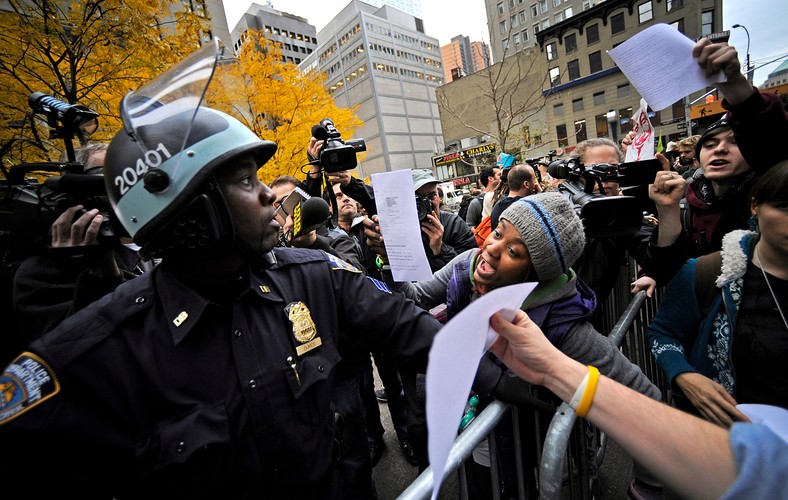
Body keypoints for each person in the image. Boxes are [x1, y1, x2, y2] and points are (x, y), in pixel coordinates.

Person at [0, 66, 441, 498]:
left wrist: (502, 365)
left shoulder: (313, 276)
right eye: (247, 180)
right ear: (196, 213)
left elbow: (413, 328)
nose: (270, 194)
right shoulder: (103, 343)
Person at [366, 192, 660, 496]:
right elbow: (415, 297)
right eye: (497, 233)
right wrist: (393, 259)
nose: (491, 249)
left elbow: (645, 398)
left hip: (518, 437)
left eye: (514, 252)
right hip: (466, 422)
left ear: (534, 273)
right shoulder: (466, 265)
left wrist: (647, 487)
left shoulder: (562, 326)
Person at [487, 309, 788, 500]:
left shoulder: (569, 324)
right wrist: (555, 371)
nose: (491, 250)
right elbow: (754, 466)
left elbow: (762, 471)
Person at [647, 160, 788, 427]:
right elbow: (662, 334)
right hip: (726, 442)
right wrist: (685, 376)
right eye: (784, 206)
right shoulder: (705, 272)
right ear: (755, 206)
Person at [641, 39, 788, 286]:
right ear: (699, 157)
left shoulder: (771, 196)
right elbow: (667, 271)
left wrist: (735, 87)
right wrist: (668, 211)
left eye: (734, 142)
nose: (720, 149)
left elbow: (769, 137)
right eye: (709, 145)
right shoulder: (687, 203)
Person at [12, 143, 154, 344]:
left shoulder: (164, 244)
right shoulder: (44, 271)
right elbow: (68, 345)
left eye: (131, 171)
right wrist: (101, 276)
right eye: (105, 174)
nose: (125, 183)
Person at [465, 165, 500, 230]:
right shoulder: (476, 202)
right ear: (490, 179)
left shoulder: (504, 196)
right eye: (499, 175)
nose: (502, 177)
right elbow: (469, 226)